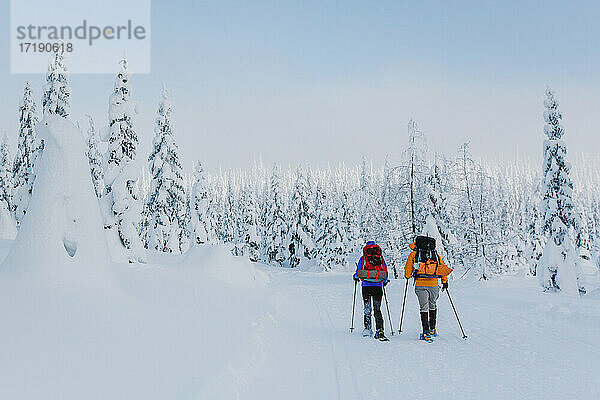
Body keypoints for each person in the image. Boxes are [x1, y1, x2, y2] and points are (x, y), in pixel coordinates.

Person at [404, 236, 452, 342]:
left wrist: (408, 276)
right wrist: (445, 281)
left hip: (420, 284)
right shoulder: (434, 254)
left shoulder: (414, 254)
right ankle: (432, 329)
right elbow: (441, 268)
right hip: (434, 284)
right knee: (433, 305)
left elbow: (407, 271)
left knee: (423, 307)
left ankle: (425, 332)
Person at [353, 241, 389, 340]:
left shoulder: (363, 258)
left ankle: (368, 329)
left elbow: (358, 272)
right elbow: (385, 271)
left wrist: (355, 277)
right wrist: (384, 281)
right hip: (378, 286)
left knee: (367, 308)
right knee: (377, 309)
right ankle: (380, 330)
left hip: (366, 286)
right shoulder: (380, 258)